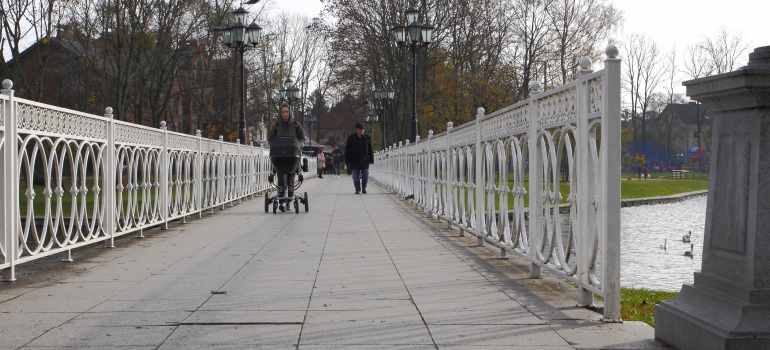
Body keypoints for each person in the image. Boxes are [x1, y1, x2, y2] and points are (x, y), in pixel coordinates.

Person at [268, 104, 306, 210]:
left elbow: (302, 139)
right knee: (281, 178)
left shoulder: (296, 125)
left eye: (287, 112)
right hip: (279, 156)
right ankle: (281, 200)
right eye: (283, 112)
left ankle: (289, 200)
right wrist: (274, 146)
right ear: (280, 113)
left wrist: (298, 146)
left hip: (292, 156)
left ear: (290, 113)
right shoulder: (276, 126)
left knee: (291, 178)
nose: (285, 114)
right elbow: (270, 139)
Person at [345, 122, 374, 194]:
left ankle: (364, 187)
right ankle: (357, 188)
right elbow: (347, 150)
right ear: (356, 130)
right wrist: (347, 160)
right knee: (355, 176)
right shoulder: (351, 138)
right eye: (360, 129)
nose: (362, 131)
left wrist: (371, 159)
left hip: (364, 160)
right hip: (354, 160)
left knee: (365, 175)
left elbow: (370, 149)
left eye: (363, 129)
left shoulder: (367, 138)